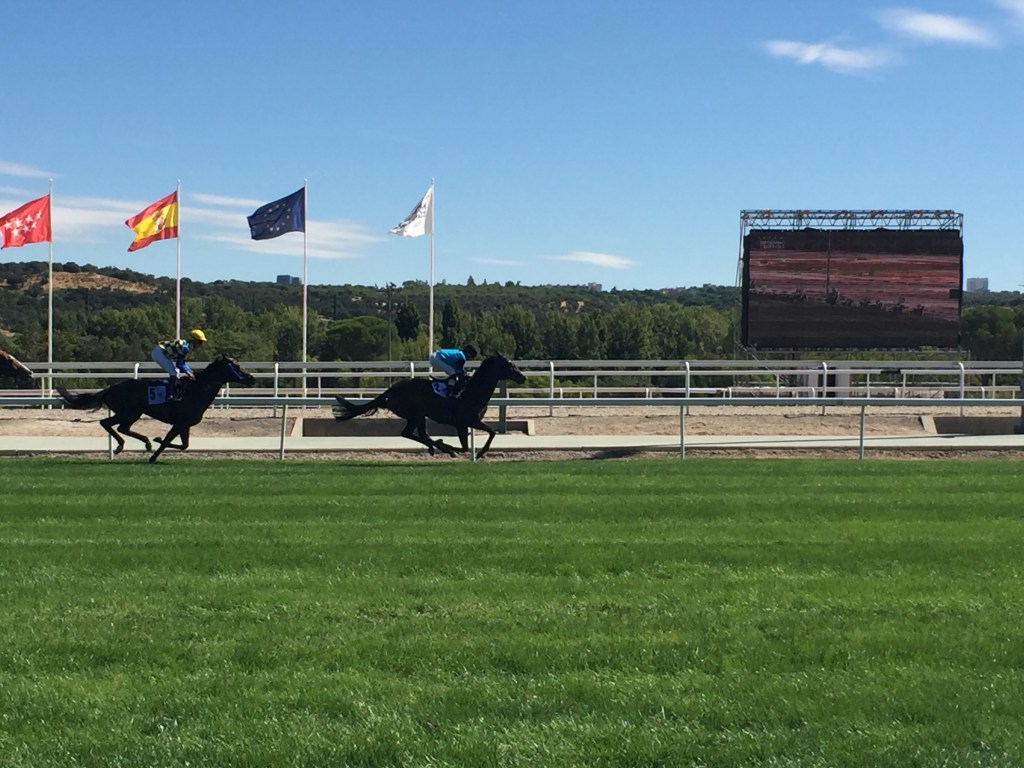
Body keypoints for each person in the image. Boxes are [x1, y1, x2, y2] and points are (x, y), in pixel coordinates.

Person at [151, 329, 207, 399]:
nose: (201, 344)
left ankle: (171, 394)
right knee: (173, 373)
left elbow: (182, 363)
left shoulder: (185, 345)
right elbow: (179, 364)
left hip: (160, 352)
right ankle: (169, 395)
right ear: (194, 340)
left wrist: (190, 371)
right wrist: (189, 373)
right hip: (159, 353)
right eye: (200, 342)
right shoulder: (184, 348)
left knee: (175, 373)